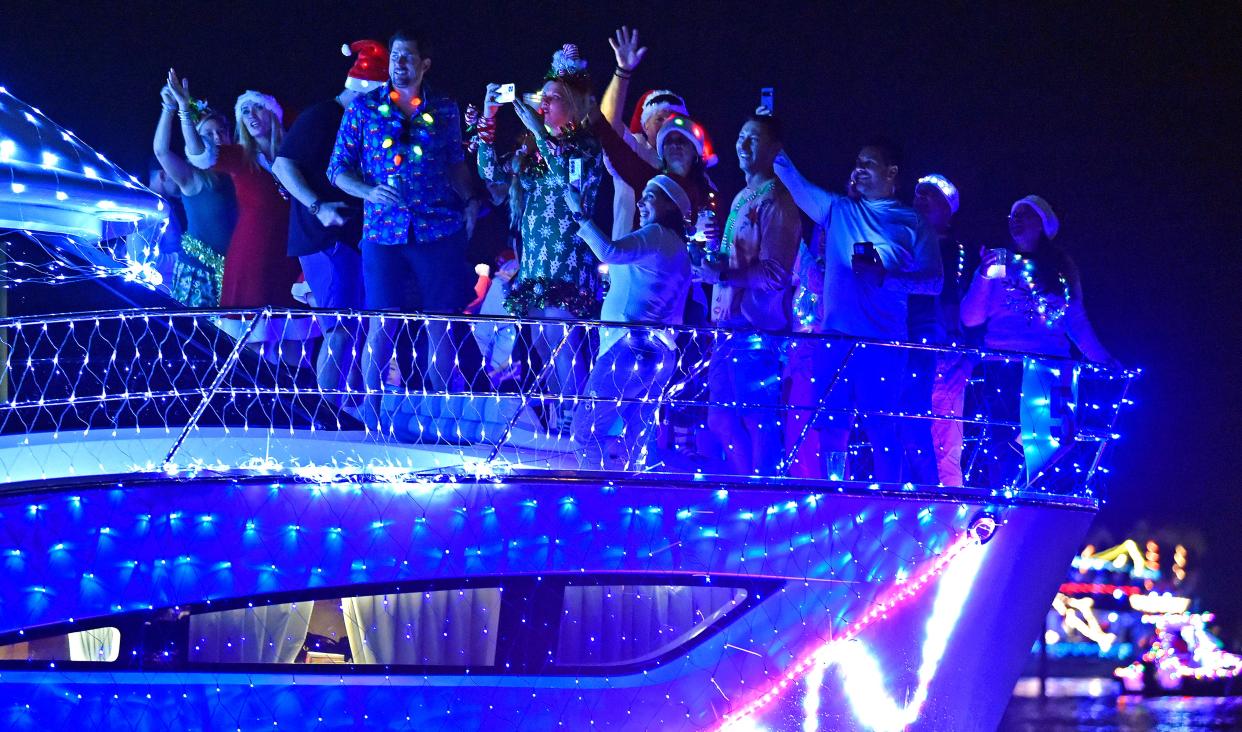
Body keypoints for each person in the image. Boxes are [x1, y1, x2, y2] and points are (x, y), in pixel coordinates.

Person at [327, 29, 479, 431]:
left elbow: (455, 165)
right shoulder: (363, 109)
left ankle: (446, 414)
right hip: (383, 234)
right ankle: (370, 412)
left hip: (437, 230)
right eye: (395, 56)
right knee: (382, 322)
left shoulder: (444, 110)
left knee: (441, 322)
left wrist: (471, 200)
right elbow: (337, 169)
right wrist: (368, 191)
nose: (399, 64)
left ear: (424, 64)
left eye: (408, 57)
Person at [773, 140, 942, 482]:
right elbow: (794, 181)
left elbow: (935, 281)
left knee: (882, 428)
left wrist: (886, 278)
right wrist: (770, 137)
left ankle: (887, 501)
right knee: (832, 426)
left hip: (884, 344)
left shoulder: (913, 222)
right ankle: (833, 493)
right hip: (834, 339)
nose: (859, 168)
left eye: (869, 163)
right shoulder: (838, 209)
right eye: (857, 161)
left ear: (891, 173)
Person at [477, 44, 605, 432]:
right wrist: (488, 118)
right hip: (534, 265)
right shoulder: (532, 151)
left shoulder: (585, 144)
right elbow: (491, 174)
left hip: (565, 262)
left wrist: (536, 130)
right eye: (542, 97)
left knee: (562, 344)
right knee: (543, 346)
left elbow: (571, 180)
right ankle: (560, 421)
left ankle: (578, 423)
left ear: (575, 105)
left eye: (554, 98)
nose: (544, 103)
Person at [960, 195, 1116, 487]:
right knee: (1004, 442)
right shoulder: (999, 263)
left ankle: (1040, 502)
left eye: (1025, 214)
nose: (1016, 219)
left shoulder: (1062, 269)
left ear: (1043, 224)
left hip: (1051, 369)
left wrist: (1104, 359)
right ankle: (1001, 503)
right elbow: (970, 318)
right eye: (1013, 214)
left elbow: (1076, 321)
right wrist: (982, 276)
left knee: (1055, 443)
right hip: (1005, 367)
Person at [273, 40, 386, 408]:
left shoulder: (356, 123)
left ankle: (339, 412)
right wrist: (318, 206)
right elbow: (282, 166)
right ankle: (322, 417)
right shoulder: (322, 116)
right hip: (323, 236)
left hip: (347, 237)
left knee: (347, 328)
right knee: (339, 329)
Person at [693, 113, 801, 476]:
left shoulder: (778, 201)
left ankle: (766, 497)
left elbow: (776, 274)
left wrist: (722, 272)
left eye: (753, 139)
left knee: (759, 420)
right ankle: (744, 486)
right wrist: (713, 252)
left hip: (757, 330)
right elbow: (735, 260)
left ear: (775, 149)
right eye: (741, 136)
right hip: (727, 327)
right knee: (719, 421)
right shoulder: (743, 196)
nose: (742, 145)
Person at [565, 174, 692, 469]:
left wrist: (579, 213)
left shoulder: (657, 234)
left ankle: (595, 500)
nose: (641, 202)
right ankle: (635, 497)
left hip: (628, 350)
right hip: (661, 355)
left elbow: (609, 251)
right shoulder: (680, 250)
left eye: (650, 196)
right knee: (639, 439)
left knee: (585, 432)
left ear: (670, 205)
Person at [173, 71, 301, 315]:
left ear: (272, 112)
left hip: (288, 255)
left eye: (257, 108)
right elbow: (199, 151)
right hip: (252, 257)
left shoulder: (293, 155)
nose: (250, 115)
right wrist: (184, 110)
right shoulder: (240, 156)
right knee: (252, 337)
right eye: (244, 111)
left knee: (292, 337)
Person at [905, 173, 974, 486]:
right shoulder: (902, 245)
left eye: (931, 195)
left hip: (946, 352)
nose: (921, 199)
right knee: (905, 431)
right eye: (918, 194)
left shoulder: (962, 253)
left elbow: (971, 309)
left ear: (948, 209)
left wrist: (968, 354)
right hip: (905, 349)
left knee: (946, 440)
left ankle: (949, 514)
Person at [597, 26, 696, 240]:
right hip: (630, 260)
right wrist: (623, 72)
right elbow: (605, 125)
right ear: (646, 125)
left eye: (673, 120)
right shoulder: (635, 150)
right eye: (660, 118)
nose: (667, 126)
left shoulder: (692, 166)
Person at [152, 88, 238, 308]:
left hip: (237, 273)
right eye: (209, 134)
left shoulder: (241, 174)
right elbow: (161, 151)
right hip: (199, 276)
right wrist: (171, 108)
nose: (217, 138)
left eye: (221, 132)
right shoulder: (192, 176)